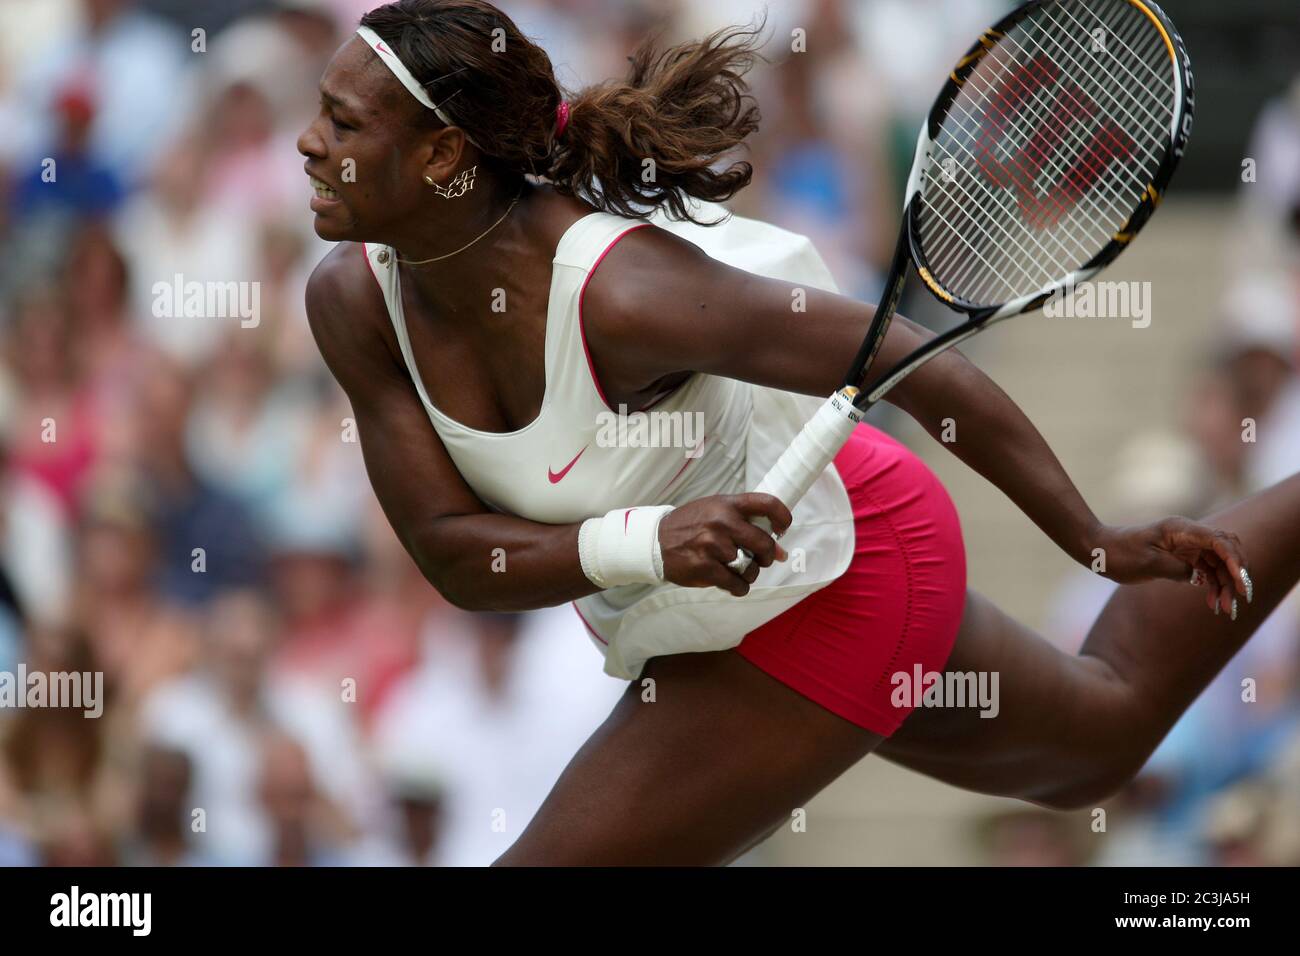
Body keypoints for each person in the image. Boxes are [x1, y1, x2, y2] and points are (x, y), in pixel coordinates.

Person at [298, 0, 1293, 865]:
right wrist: (654, 539)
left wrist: (1093, 538)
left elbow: (914, 361)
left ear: (438, 156)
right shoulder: (352, 299)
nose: (308, 142)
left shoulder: (627, 291)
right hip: (725, 583)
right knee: (1101, 737)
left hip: (834, 574)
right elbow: (456, 559)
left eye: (340, 121)